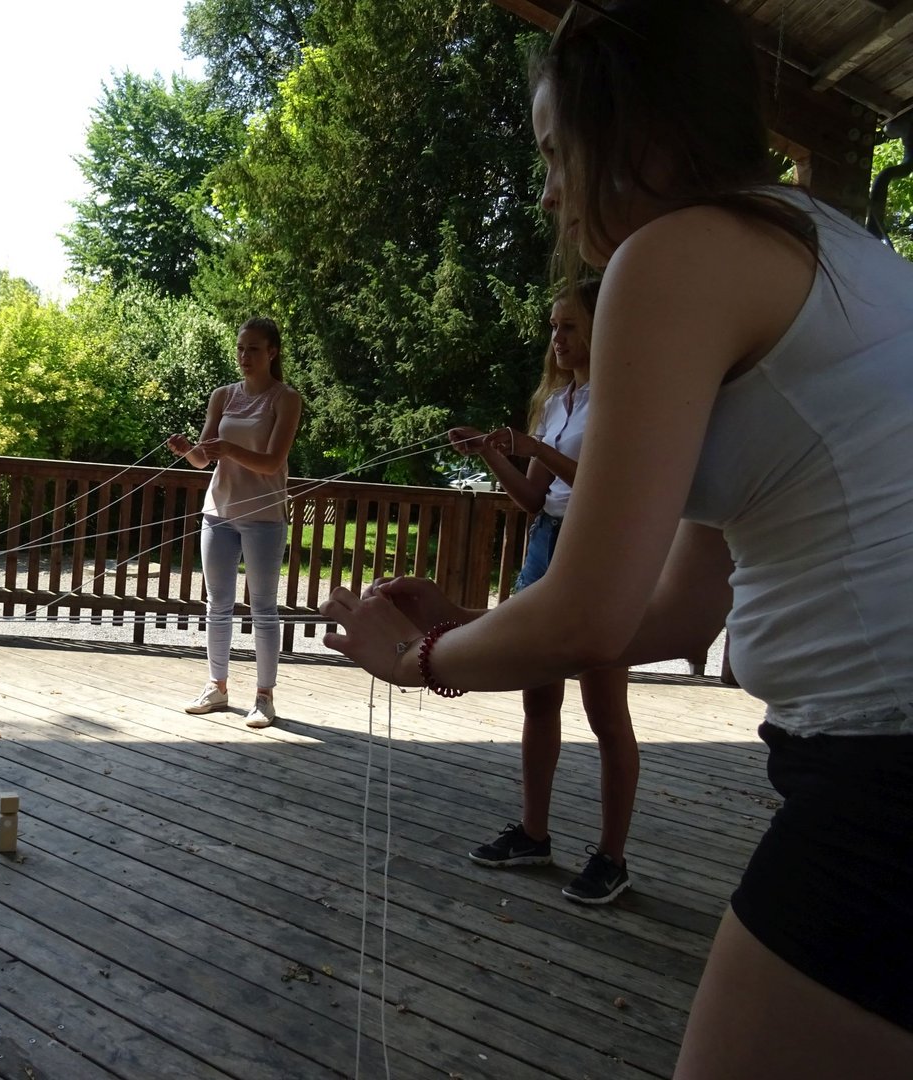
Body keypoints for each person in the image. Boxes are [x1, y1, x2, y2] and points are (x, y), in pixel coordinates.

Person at [318, 1, 913, 1076]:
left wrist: (414, 659)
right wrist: (486, 620)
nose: (548, 193)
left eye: (557, 155)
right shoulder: (821, 247)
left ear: (641, 137)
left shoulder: (676, 256)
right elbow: (680, 610)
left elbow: (588, 614)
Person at [449, 279, 639, 904]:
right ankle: (534, 834)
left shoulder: (619, 397)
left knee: (605, 711)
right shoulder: (556, 401)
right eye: (554, 327)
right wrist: (492, 455)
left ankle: (612, 857)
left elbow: (608, 484)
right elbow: (533, 498)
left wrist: (538, 450)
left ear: (600, 329)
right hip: (546, 543)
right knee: (539, 699)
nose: (558, 337)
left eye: (570, 326)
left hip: (596, 546)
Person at [167, 317, 303, 728]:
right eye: (241, 348)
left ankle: (264, 697)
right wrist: (187, 450)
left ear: (272, 352)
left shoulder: (286, 399)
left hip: (264, 515)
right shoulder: (223, 395)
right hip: (218, 512)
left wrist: (227, 448)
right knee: (218, 604)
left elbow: (273, 462)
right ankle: (217, 686)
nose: (245, 356)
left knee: (263, 607)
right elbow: (203, 458)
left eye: (254, 349)